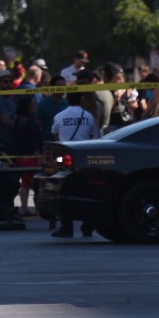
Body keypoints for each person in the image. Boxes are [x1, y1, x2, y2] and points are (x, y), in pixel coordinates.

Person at [49, 92, 101, 237]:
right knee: (86, 192)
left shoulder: (59, 116)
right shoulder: (89, 116)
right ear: (81, 98)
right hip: (84, 157)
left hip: (65, 158)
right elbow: (95, 137)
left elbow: (55, 136)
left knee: (64, 191)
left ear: (67, 98)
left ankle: (66, 227)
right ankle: (88, 225)